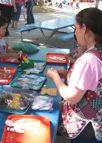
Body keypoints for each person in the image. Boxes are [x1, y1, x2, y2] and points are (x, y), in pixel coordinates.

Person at [46, 8, 102, 141]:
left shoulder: (89, 60)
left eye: (76, 28)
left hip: (87, 126)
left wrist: (55, 77)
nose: (75, 33)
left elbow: (72, 96)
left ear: (84, 28)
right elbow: (89, 80)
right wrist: (66, 73)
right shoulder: (97, 52)